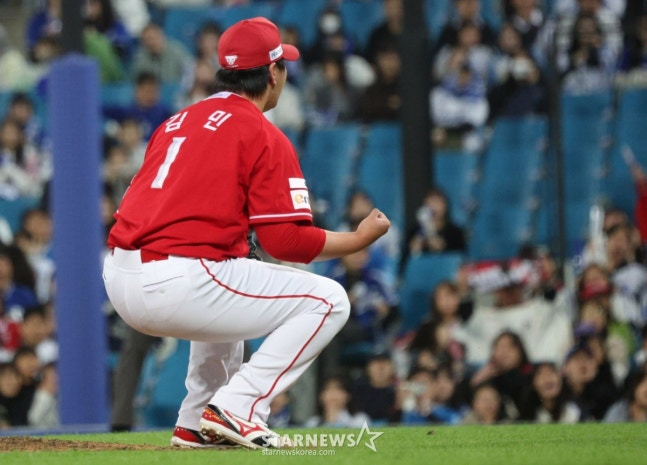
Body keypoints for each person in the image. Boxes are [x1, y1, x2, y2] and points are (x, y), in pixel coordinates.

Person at [102, 17, 391, 450]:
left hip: (120, 274)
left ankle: (196, 419)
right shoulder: (261, 132)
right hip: (177, 278)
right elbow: (285, 242)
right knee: (330, 300)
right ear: (273, 73)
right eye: (283, 65)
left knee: (233, 272)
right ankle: (239, 407)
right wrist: (357, 240)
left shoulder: (177, 121)